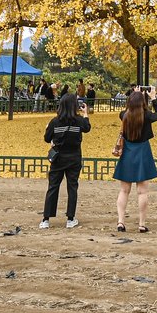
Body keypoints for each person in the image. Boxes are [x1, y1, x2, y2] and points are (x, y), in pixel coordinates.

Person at [113, 89, 157, 232]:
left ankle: (121, 222)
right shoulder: (147, 116)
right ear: (143, 103)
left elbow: (127, 110)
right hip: (143, 151)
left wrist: (134, 94)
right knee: (142, 192)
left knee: (124, 190)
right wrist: (152, 98)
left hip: (127, 151)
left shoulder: (124, 115)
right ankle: (141, 223)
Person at [42, 94, 90, 228]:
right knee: (72, 187)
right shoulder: (79, 120)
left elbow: (46, 138)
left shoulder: (55, 122)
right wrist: (85, 113)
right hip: (74, 157)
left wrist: (48, 130)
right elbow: (87, 127)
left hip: (58, 158)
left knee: (53, 187)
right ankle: (70, 218)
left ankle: (46, 219)